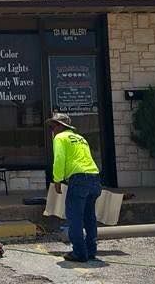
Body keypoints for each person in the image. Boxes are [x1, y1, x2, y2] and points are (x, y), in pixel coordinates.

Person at [47, 112, 102, 263]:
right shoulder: (81, 138)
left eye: (53, 126)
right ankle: (91, 251)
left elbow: (59, 159)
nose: (51, 130)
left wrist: (57, 180)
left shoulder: (60, 138)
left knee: (75, 217)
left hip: (78, 180)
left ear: (60, 126)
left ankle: (79, 253)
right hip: (95, 177)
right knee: (89, 217)